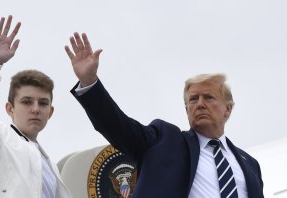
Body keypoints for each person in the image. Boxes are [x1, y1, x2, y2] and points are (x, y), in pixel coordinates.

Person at [64, 32, 264, 197]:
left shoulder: (250, 164)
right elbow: (117, 126)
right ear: (186, 110)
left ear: (227, 109)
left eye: (209, 98)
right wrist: (90, 83)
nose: (200, 104)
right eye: (193, 99)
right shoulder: (164, 140)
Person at [0, 15, 72, 198]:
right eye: (27, 102)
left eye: (43, 103)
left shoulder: (50, 167)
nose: (35, 109)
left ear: (50, 112)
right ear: (10, 109)